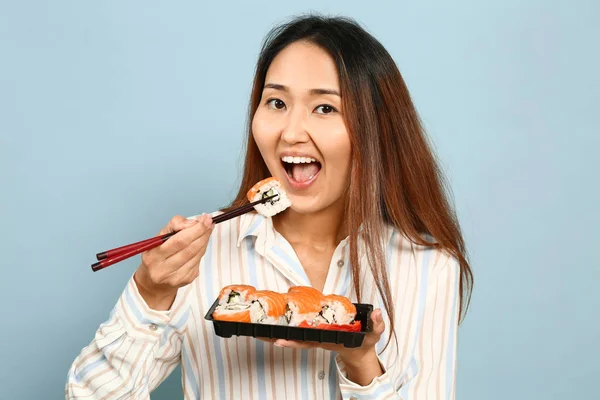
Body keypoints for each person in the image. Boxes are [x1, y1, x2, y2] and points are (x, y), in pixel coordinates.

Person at [66, 14, 473, 399]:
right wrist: (150, 293)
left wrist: (361, 361)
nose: (291, 132)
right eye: (276, 103)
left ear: (375, 131)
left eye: (325, 108)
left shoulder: (428, 266)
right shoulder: (199, 254)